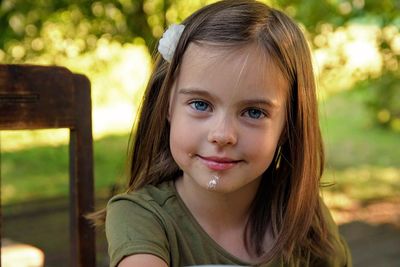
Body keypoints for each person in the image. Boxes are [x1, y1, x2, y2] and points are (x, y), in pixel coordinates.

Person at [101, 0, 352, 266]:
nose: (222, 135)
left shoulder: (304, 218)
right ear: (167, 106)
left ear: (288, 125)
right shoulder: (141, 218)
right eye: (200, 104)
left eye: (254, 112)